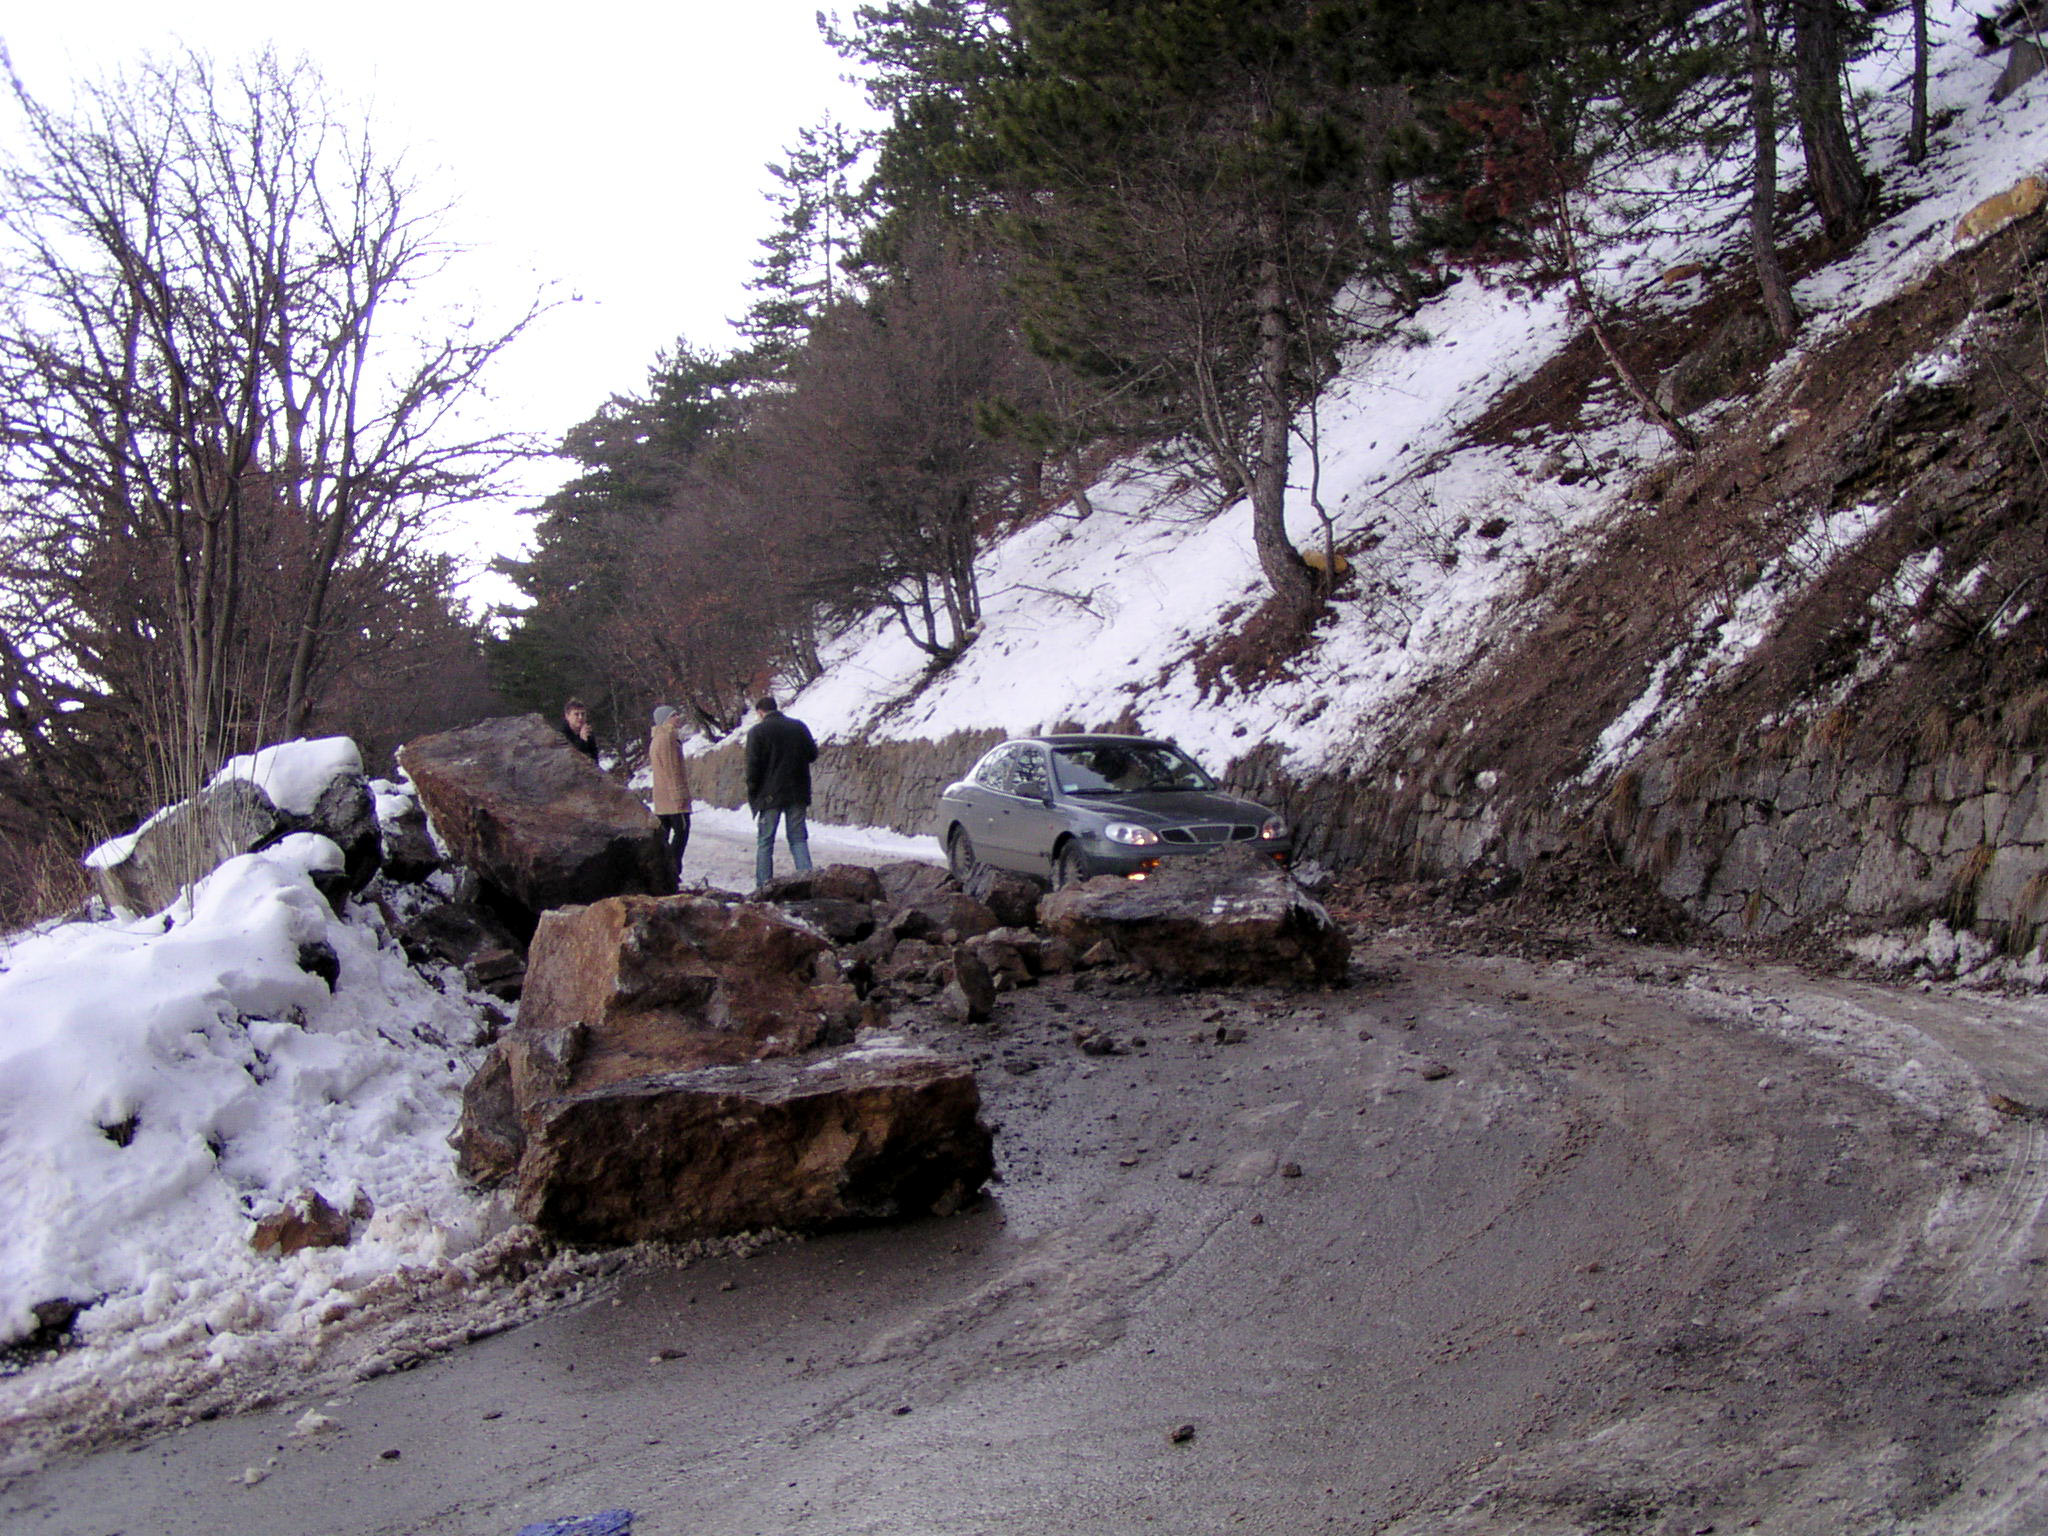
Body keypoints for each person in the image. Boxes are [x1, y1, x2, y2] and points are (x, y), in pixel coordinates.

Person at [744, 695, 817, 888]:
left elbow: (753, 767)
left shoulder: (757, 732)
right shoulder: (798, 727)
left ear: (760, 712)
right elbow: (812, 754)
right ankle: (806, 880)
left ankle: (764, 885)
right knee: (798, 838)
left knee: (765, 842)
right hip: (798, 791)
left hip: (769, 795)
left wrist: (753, 791)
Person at [648, 704, 691, 885]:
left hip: (662, 800)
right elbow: (673, 770)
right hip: (673, 800)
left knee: (664, 838)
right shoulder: (667, 739)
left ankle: (662, 873)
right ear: (666, 719)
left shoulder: (657, 738)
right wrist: (679, 796)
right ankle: (671, 871)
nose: (678, 717)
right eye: (674, 715)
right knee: (681, 833)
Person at [559, 698, 599, 762]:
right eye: (576, 714)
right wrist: (582, 740)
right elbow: (572, 758)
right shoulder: (561, 735)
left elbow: (595, 757)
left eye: (583, 714)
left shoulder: (588, 732)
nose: (580, 717)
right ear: (567, 716)